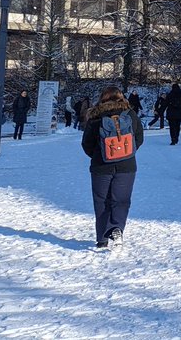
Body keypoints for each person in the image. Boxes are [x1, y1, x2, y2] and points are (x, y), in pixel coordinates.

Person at [80, 86, 144, 248]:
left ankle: (102, 239)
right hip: (127, 165)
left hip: (101, 166)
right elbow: (139, 138)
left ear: (102, 98)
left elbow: (87, 143)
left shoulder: (95, 116)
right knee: (121, 200)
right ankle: (116, 227)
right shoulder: (130, 114)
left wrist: (99, 155)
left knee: (101, 201)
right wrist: (126, 153)